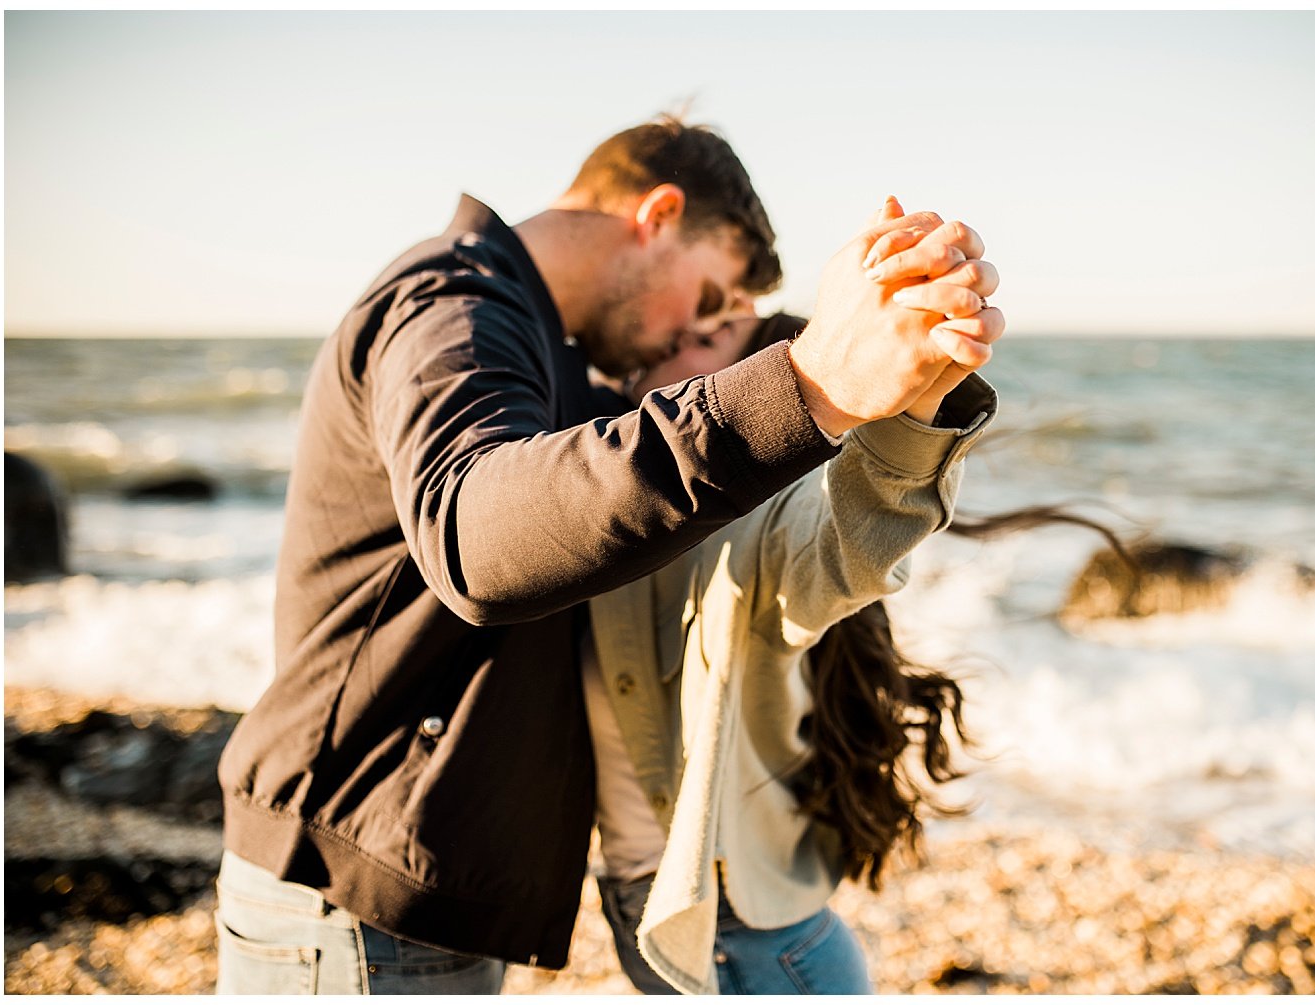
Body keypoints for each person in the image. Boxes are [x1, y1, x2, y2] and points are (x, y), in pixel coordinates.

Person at [213, 115, 1001, 995]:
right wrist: (811, 383)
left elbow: (819, 547)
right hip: (353, 888)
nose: (684, 345)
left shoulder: (551, 358)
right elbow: (475, 532)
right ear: (658, 216)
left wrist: (907, 398)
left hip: (401, 883)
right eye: (710, 300)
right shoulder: (456, 303)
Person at [584, 308, 994, 994]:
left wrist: (919, 401)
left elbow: (852, 547)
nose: (674, 334)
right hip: (661, 907)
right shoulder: (600, 473)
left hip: (749, 936)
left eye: (705, 338)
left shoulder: (757, 519)